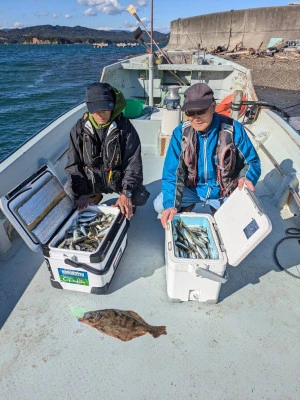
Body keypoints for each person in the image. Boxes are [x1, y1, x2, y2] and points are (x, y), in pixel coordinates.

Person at [153, 82, 261, 228]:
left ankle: (217, 208)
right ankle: (187, 204)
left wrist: (246, 177)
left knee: (241, 218)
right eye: (190, 113)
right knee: (160, 205)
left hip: (224, 193)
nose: (196, 118)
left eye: (201, 111)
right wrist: (171, 205)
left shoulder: (234, 129)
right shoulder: (180, 133)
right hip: (193, 190)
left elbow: (252, 162)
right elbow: (172, 172)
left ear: (213, 106)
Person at [65, 82, 149, 219]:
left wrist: (126, 193)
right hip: (91, 179)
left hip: (117, 180)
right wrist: (82, 193)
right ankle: (93, 195)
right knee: (68, 193)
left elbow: (133, 162)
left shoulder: (125, 127)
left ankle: (125, 203)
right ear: (88, 107)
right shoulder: (79, 129)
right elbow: (73, 164)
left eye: (105, 109)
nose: (100, 115)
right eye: (96, 110)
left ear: (113, 105)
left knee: (140, 197)